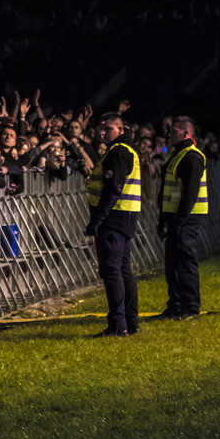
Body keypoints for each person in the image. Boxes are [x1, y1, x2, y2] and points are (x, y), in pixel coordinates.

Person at [83, 113, 142, 337]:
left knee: (112, 271)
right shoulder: (127, 150)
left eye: (108, 129)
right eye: (101, 128)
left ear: (120, 130)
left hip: (113, 217)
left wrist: (97, 220)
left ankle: (118, 325)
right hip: (125, 215)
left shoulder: (118, 152)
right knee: (123, 270)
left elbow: (113, 188)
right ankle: (130, 322)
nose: (102, 132)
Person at [157, 115, 207, 320]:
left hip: (186, 218)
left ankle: (190, 308)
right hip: (177, 217)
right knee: (173, 264)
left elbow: (190, 193)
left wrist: (179, 219)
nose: (168, 134)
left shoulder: (192, 156)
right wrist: (163, 219)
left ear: (186, 133)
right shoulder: (178, 155)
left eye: (173, 130)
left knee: (185, 263)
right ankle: (176, 306)